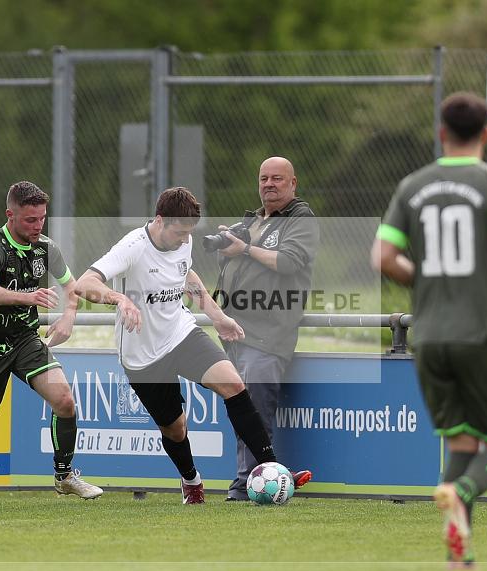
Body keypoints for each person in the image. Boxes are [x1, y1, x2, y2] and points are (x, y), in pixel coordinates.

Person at [370, 92, 487, 567]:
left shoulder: (413, 186)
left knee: (461, 441)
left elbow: (382, 258)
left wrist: (423, 280)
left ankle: (456, 556)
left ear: (442, 133)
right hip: (480, 333)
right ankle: (462, 490)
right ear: (486, 134)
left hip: (429, 337)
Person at [74, 186, 312, 504]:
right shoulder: (133, 246)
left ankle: (273, 468)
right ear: (160, 220)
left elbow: (188, 276)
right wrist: (119, 299)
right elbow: (84, 283)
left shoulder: (183, 240)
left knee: (234, 385)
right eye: (179, 232)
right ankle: (191, 480)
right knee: (176, 429)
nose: (185, 239)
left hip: (181, 333)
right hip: (143, 356)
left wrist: (218, 317)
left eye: (189, 232)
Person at [0, 181, 102, 506]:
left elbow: (73, 288)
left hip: (24, 341)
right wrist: (28, 297)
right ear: (10, 215)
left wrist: (69, 316)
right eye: (30, 220)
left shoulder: (46, 248)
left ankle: (64, 476)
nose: (38, 226)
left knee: (65, 400)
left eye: (42, 218)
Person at [213, 156, 318, 501]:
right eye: (263, 178)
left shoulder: (300, 219)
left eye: (277, 178)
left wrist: (244, 248)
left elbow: (288, 262)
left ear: (293, 183)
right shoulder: (252, 220)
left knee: (254, 407)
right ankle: (250, 479)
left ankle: (249, 483)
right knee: (242, 408)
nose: (269, 184)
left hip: (269, 332)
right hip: (235, 331)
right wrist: (230, 246)